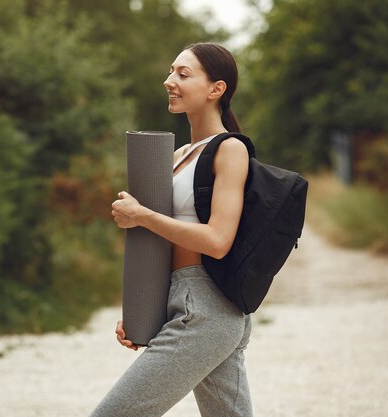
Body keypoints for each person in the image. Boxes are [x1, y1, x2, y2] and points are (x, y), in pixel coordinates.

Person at [90, 43, 253, 417]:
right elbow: (162, 245)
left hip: (207, 308)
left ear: (216, 89)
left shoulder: (231, 150)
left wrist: (142, 215)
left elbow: (217, 241)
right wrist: (141, 310)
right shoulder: (178, 155)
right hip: (186, 301)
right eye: (170, 72)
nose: (169, 81)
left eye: (183, 74)